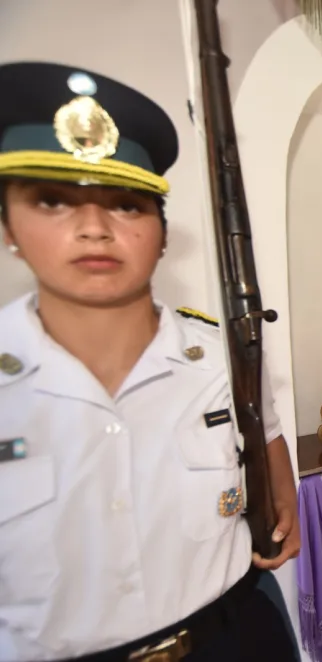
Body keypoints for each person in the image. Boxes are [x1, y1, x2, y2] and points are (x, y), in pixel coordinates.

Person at [0, 62, 300, 661]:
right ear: (9, 225)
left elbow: (261, 431)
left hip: (235, 634)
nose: (94, 229)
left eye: (127, 206)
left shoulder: (222, 356)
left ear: (161, 230)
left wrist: (282, 496)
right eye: (54, 201)